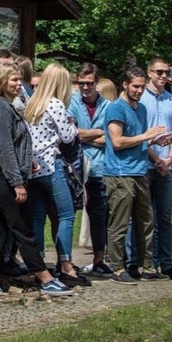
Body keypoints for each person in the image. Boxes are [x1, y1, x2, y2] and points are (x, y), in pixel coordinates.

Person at [0, 66, 73, 297]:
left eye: (20, 80)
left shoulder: (7, 106)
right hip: (2, 176)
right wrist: (17, 182)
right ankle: (44, 277)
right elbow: (4, 148)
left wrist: (28, 162)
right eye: (14, 80)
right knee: (22, 227)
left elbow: (14, 145)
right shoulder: (0, 108)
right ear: (2, 81)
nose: (19, 84)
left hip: (5, 174)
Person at [103, 65, 168, 284]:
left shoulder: (141, 109)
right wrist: (146, 137)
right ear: (125, 85)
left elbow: (139, 140)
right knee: (120, 223)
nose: (139, 91)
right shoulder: (115, 109)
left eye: (142, 87)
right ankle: (117, 267)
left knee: (146, 221)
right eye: (135, 87)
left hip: (140, 171)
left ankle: (147, 266)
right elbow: (117, 141)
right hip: (120, 173)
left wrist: (155, 142)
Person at [24, 62, 85, 286]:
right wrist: (74, 126)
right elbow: (68, 137)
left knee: (38, 216)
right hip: (52, 164)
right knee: (66, 215)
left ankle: (38, 264)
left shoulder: (32, 103)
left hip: (34, 167)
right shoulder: (56, 104)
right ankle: (66, 264)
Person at [136, 57, 172, 280]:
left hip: (167, 166)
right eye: (159, 72)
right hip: (146, 163)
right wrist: (156, 158)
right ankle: (146, 262)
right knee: (146, 217)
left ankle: (166, 263)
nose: (163, 76)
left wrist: (170, 159)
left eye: (166, 72)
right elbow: (139, 133)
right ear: (149, 73)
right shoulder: (141, 99)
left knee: (165, 218)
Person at [68, 63, 112, 277]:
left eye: (90, 83)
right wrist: (97, 132)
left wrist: (84, 135)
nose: (85, 87)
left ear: (97, 83)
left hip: (99, 167)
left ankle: (99, 259)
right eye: (82, 83)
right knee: (67, 214)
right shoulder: (71, 102)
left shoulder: (108, 106)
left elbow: (111, 138)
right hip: (75, 167)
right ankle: (65, 261)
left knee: (99, 214)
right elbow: (70, 133)